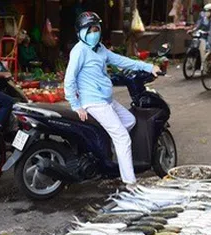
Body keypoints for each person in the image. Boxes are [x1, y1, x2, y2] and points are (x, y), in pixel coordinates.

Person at [64, 12, 160, 190]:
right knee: (123, 137)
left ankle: (109, 152)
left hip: (107, 101)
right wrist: (75, 105)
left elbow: (121, 61)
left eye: (96, 29)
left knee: (130, 121)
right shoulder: (79, 51)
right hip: (93, 102)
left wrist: (148, 66)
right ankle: (130, 183)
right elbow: (69, 79)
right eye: (90, 30)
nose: (94, 33)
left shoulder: (100, 49)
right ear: (80, 32)